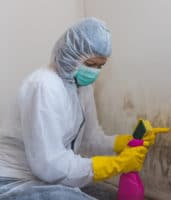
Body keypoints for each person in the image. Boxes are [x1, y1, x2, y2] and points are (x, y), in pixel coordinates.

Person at [0, 17, 157, 200]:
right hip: (14, 180)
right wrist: (115, 164)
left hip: (47, 179)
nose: (95, 72)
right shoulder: (44, 86)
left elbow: (90, 138)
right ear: (70, 55)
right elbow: (48, 163)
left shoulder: (82, 86)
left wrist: (123, 142)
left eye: (101, 66)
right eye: (90, 65)